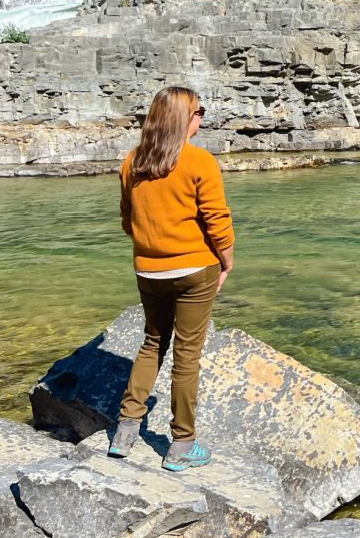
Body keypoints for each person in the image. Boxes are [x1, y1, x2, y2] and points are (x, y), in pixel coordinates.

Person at [108, 86, 235, 472]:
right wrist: (227, 261)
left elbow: (128, 222)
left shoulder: (133, 162)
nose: (202, 118)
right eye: (199, 111)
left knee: (152, 343)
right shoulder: (200, 162)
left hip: (148, 270)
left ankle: (125, 432)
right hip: (195, 270)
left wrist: (153, 248)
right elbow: (217, 220)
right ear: (183, 117)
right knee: (187, 356)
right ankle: (182, 445)